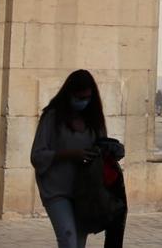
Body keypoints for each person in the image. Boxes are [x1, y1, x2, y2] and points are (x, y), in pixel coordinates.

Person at [31, 69, 126, 248]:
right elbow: (37, 155)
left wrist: (111, 150)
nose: (82, 102)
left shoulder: (94, 121)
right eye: (78, 97)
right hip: (57, 189)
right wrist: (71, 154)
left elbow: (101, 148)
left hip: (84, 191)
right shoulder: (52, 117)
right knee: (67, 237)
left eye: (86, 98)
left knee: (79, 242)